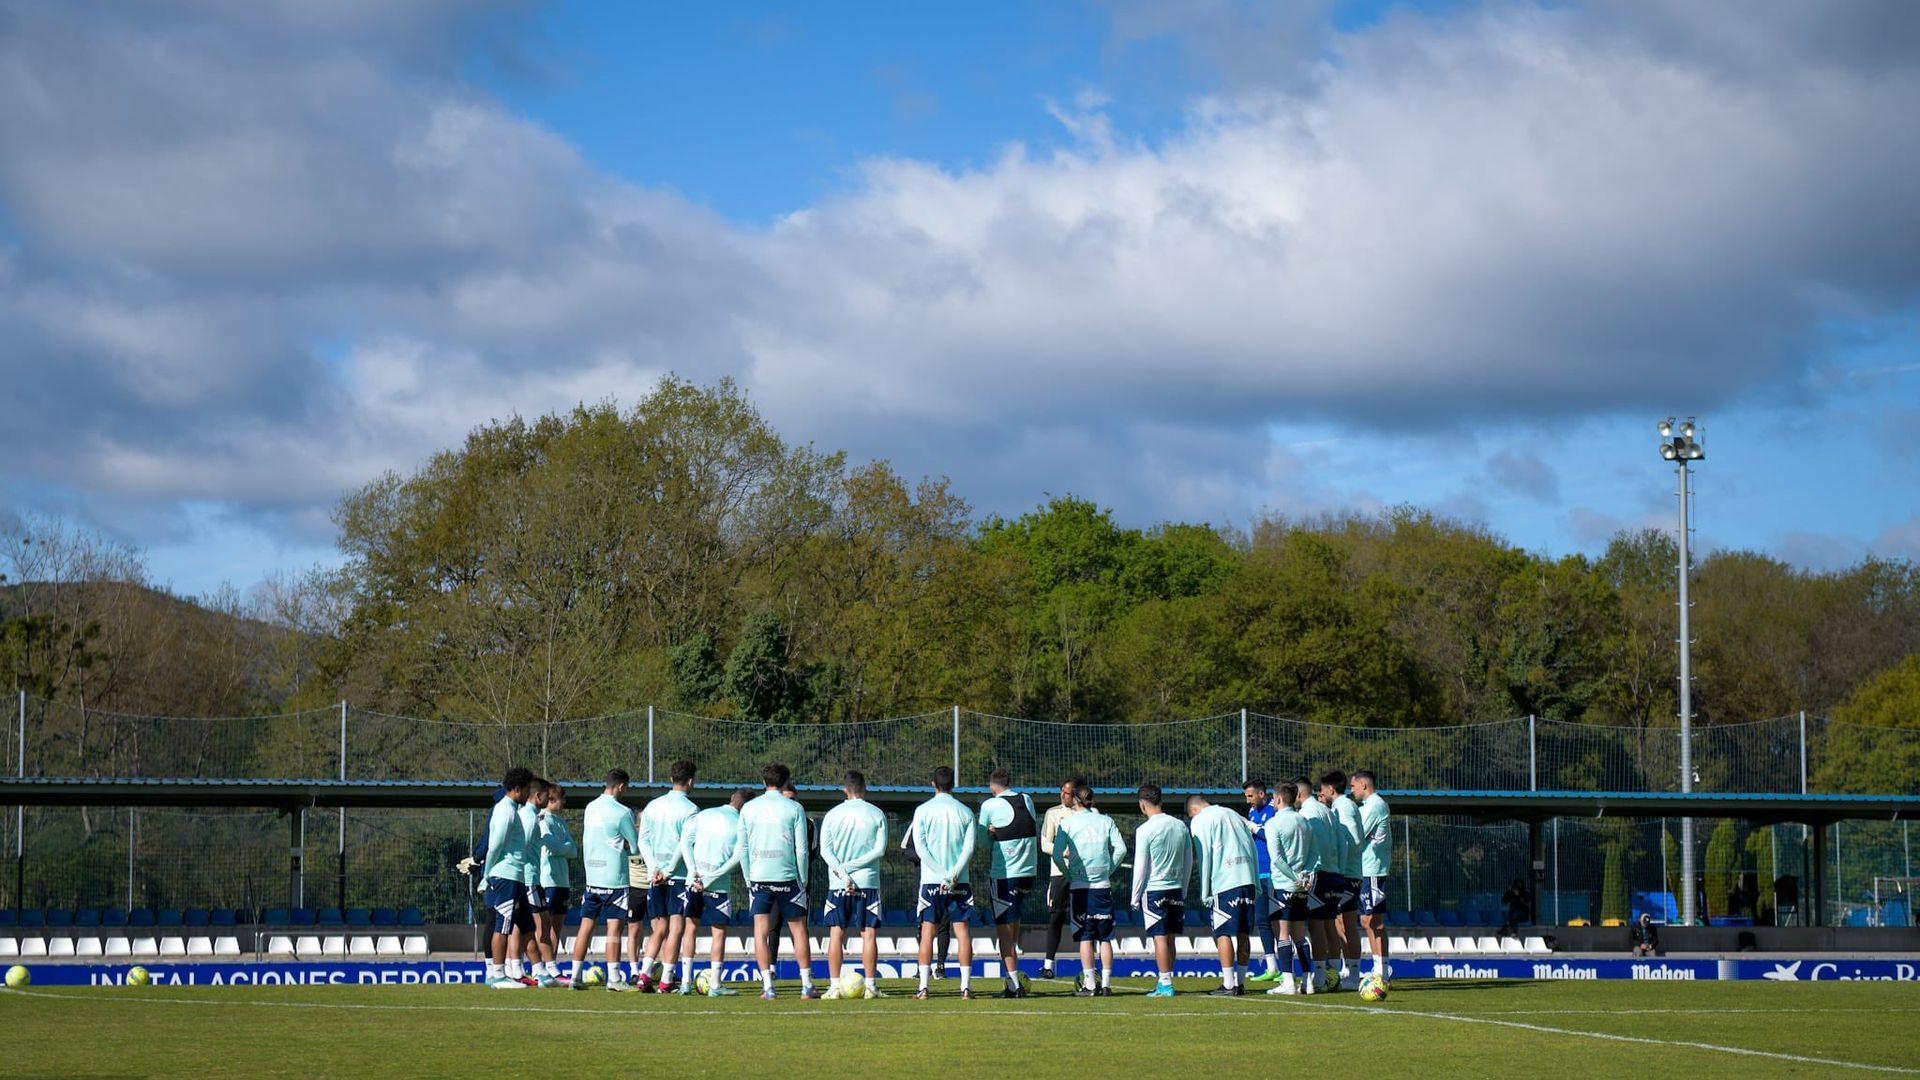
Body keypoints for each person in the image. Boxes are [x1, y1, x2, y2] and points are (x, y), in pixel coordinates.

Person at [738, 763, 816, 999]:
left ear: (763, 782)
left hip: (759, 877)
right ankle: (806, 985)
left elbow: (743, 848)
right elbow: (801, 849)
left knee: (760, 933)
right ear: (785, 783)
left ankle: (768, 987)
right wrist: (802, 879)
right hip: (788, 876)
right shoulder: (794, 808)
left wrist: (747, 878)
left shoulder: (749, 809)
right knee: (799, 931)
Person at [908, 766, 978, 999]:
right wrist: (953, 874)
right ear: (953, 785)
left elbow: (921, 848)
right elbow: (968, 849)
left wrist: (942, 875)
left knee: (927, 933)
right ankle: (965, 987)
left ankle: (923, 988)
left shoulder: (923, 810)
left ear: (932, 784)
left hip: (931, 882)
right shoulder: (965, 811)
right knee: (963, 933)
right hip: (960, 881)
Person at [819, 769, 888, 1000]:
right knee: (868, 935)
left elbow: (825, 852)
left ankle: (834, 986)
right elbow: (879, 850)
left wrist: (843, 870)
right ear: (865, 788)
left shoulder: (832, 814)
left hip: (838, 882)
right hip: (868, 881)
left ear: (844, 790)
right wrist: (853, 868)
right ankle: (870, 987)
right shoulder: (877, 813)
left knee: (836, 933)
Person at [677, 786, 753, 997]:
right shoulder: (741, 824)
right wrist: (711, 877)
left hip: (693, 882)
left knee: (690, 928)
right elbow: (738, 857)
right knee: (718, 933)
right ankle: (715, 985)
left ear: (731, 799)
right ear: (746, 808)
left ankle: (684, 983)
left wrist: (693, 870)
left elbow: (685, 841)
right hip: (717, 886)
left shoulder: (705, 814)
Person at [1055, 783, 1127, 997]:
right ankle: (1105, 984)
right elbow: (1121, 849)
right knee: (1105, 937)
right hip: (1102, 886)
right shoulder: (1106, 821)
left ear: (1075, 800)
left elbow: (1057, 855)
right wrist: (1109, 868)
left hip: (1080, 887)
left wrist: (1068, 874)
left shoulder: (1067, 823)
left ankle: (1090, 985)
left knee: (1085, 937)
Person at [1187, 792, 1259, 996]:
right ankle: (1241, 983)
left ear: (1194, 810)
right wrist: (1256, 881)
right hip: (1248, 880)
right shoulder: (1233, 814)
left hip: (1225, 882)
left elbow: (1205, 855)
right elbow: (1251, 846)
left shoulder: (1200, 820)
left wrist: (1205, 890)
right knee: (1244, 932)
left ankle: (1228, 984)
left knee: (1223, 932)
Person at [570, 769, 637, 990]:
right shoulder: (623, 811)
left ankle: (575, 977)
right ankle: (614, 979)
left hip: (592, 877)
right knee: (614, 929)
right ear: (620, 786)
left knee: (585, 927)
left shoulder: (591, 807)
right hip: (614, 879)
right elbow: (634, 846)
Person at [636, 760, 699, 993]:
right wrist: (669, 870)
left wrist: (654, 869)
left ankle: (644, 975)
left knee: (658, 929)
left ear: (671, 779)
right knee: (675, 929)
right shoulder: (691, 809)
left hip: (655, 876)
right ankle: (666, 980)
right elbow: (685, 844)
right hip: (678, 876)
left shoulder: (653, 806)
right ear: (691, 781)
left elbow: (643, 840)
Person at [978, 768, 1039, 998]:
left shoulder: (989, 805)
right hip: (1028, 873)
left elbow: (983, 842)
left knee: (1003, 928)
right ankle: (1012, 978)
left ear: (992, 787)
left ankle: (1014, 986)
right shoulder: (1027, 798)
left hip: (1004, 874)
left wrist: (992, 832)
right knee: (1014, 920)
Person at [1130, 783, 1192, 998]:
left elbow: (1141, 866)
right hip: (1175, 889)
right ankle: (1166, 979)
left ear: (1142, 805)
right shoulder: (1181, 826)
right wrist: (1183, 889)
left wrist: (1134, 896)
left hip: (1154, 890)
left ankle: (1165, 983)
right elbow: (1188, 861)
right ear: (1161, 801)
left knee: (1160, 938)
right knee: (1170, 938)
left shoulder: (1144, 830)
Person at [481, 766, 536, 989]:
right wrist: (487, 874)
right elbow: (495, 845)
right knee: (502, 926)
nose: (528, 794)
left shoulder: (512, 809)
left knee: (526, 925)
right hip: (505, 876)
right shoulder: (505, 810)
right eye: (526, 790)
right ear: (516, 789)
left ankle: (534, 970)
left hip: (516, 876)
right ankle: (497, 975)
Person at [1264, 779, 1316, 995]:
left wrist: (1294, 876)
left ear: (1277, 799)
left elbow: (1276, 860)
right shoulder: (1304, 821)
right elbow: (1314, 854)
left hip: (1284, 884)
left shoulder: (1273, 823)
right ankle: (1307, 981)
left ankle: (1288, 983)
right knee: (1299, 934)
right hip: (1302, 886)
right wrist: (1307, 875)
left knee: (1283, 934)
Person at [1298, 776, 1349, 991]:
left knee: (1316, 925)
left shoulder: (1305, 814)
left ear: (1299, 795)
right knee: (1329, 924)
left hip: (1317, 874)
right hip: (1335, 873)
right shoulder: (1328, 811)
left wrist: (1306, 874)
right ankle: (1332, 974)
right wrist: (1340, 869)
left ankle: (1319, 977)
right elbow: (1343, 842)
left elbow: (1307, 847)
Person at [1037, 775, 1084, 979]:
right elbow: (1045, 844)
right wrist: (1064, 851)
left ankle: (1089, 967)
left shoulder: (1088, 814)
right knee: (1056, 917)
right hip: (1059, 874)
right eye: (1062, 791)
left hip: (1082, 874)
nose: (1063, 795)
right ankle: (1048, 965)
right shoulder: (1053, 813)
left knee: (1084, 920)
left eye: (1067, 792)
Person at [1323, 770, 1366, 990]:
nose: (1321, 794)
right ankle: (1348, 970)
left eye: (1322, 789)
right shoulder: (1341, 807)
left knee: (1347, 924)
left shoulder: (1344, 807)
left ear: (1331, 789)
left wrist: (1339, 867)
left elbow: (1354, 840)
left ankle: (1353, 972)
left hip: (1347, 875)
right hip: (1346, 873)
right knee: (1340, 922)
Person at [534, 782, 578, 986]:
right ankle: (542, 967)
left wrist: (563, 848)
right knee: (544, 924)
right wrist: (564, 848)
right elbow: (549, 844)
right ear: (551, 800)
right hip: (547, 879)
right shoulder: (542, 819)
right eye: (562, 798)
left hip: (562, 880)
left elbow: (573, 849)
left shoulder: (560, 822)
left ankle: (552, 966)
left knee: (557, 925)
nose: (565, 802)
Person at [1352, 769, 1392, 984]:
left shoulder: (1375, 805)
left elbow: (1357, 834)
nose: (1352, 790)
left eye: (1353, 786)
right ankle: (1380, 970)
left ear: (1364, 785)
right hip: (1366, 869)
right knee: (1367, 920)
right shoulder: (1369, 806)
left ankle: (1382, 972)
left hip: (1373, 870)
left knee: (1372, 920)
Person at [1243, 780, 1282, 984]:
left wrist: (1254, 828)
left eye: (1250, 796)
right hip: (1258, 874)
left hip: (1274, 874)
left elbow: (1270, 835)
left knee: (1278, 921)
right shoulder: (1252, 812)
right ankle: (1271, 967)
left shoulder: (1273, 810)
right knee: (1262, 921)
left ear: (1261, 793)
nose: (1247, 800)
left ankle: (1286, 968)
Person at [517, 778, 550, 985]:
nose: (549, 798)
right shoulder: (528, 817)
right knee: (534, 925)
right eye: (547, 794)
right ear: (538, 796)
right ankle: (537, 969)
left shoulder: (531, 816)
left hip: (530, 878)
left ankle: (523, 969)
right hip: (528, 879)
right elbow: (524, 847)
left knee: (523, 926)